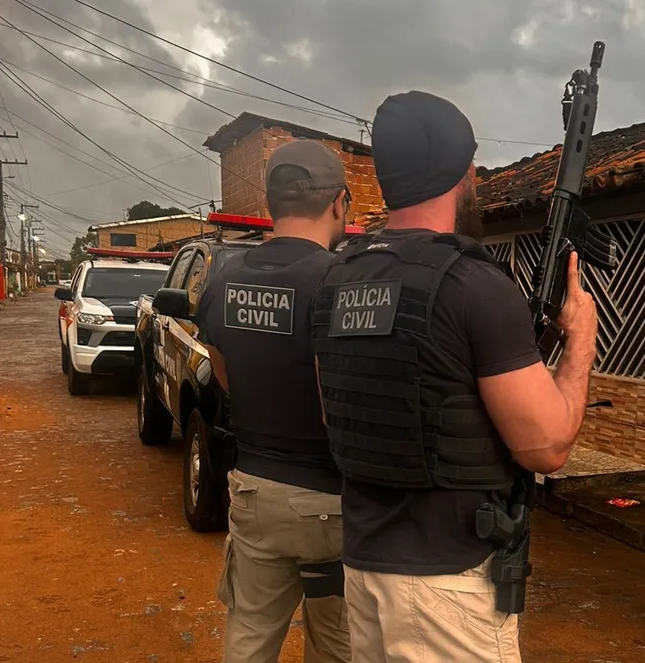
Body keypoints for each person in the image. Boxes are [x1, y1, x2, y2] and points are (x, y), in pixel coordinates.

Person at [309, 90, 598, 662]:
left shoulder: (337, 281)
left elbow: (335, 413)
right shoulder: (474, 287)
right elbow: (547, 447)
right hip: (445, 589)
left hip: (365, 568)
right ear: (461, 174)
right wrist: (581, 340)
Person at [195, 139, 353, 663]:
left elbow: (225, 377)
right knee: (335, 646)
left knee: (249, 636)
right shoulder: (340, 282)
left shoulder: (224, 279)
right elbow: (340, 402)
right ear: (339, 202)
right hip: (330, 502)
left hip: (254, 490)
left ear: (270, 203)